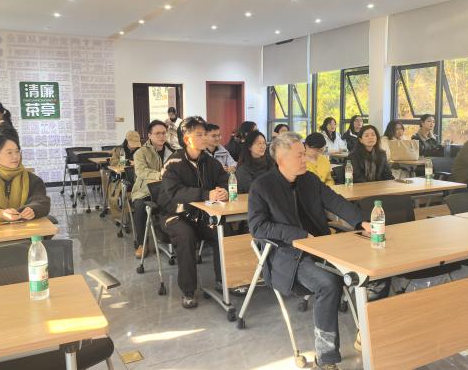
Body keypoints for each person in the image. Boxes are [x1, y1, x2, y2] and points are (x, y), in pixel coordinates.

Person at [248, 132, 388, 369]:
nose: (306, 159)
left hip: (322, 248)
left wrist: (361, 221)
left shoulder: (309, 179)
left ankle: (364, 333)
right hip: (288, 256)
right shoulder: (262, 186)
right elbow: (258, 227)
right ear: (282, 159)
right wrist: (298, 235)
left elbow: (334, 201)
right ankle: (326, 358)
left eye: (304, 153)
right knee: (328, 284)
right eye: (299, 155)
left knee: (376, 271)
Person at [157, 116, 229, 308]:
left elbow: (224, 179)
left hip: (201, 215)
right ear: (186, 139)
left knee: (222, 231)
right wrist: (206, 194)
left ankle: (224, 280)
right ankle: (188, 291)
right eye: (199, 134)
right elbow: (175, 193)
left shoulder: (210, 162)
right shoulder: (173, 163)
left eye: (205, 134)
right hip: (175, 215)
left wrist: (223, 191)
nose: (205, 138)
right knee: (186, 235)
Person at [0, 135, 50, 220]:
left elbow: (41, 201)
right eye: (9, 153)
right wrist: (0, 213)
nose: (15, 156)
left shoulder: (33, 180)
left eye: (17, 152)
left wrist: (33, 209)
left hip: (26, 224)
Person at [131, 120, 174, 258]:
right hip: (145, 191)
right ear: (149, 135)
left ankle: (178, 236)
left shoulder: (172, 151)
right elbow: (141, 171)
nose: (161, 136)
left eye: (164, 133)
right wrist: (160, 175)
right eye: (157, 133)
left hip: (166, 190)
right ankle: (141, 244)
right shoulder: (140, 152)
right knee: (140, 207)